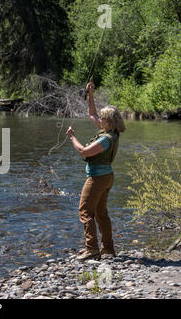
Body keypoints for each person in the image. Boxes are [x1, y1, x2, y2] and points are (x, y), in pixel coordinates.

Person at [66, 78, 126, 261]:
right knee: (101, 213)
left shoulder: (106, 139)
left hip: (97, 178)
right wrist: (90, 93)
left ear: (107, 121)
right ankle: (107, 249)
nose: (98, 119)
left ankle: (91, 248)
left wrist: (72, 137)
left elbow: (84, 151)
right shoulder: (110, 131)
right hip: (106, 177)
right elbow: (91, 113)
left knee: (85, 211)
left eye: (102, 117)